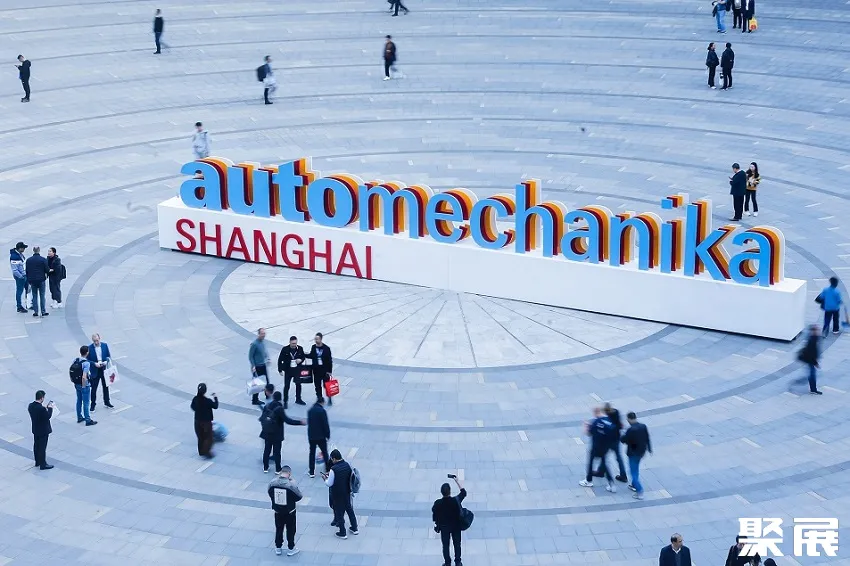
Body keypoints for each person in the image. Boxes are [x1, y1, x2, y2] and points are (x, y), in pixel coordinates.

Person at [259, 391, 306, 474]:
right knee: (277, 452)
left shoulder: (267, 406)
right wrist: (300, 422)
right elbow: (288, 420)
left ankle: (265, 467)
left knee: (267, 450)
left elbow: (262, 418)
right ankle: (278, 469)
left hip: (267, 432)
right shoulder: (279, 409)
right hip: (277, 434)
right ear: (280, 399)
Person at [579, 407, 617, 491]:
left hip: (596, 447)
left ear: (595, 413)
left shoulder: (596, 422)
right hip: (605, 447)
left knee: (590, 463)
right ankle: (611, 483)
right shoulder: (609, 421)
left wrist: (585, 426)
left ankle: (588, 480)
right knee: (605, 465)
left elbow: (589, 433)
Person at [323, 449, 359, 538]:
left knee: (339, 511)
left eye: (332, 459)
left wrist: (325, 479)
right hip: (347, 491)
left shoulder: (333, 469)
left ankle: (342, 532)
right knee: (349, 509)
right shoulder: (347, 465)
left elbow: (329, 483)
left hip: (337, 493)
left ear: (334, 459)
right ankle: (354, 528)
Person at [268, 465, 303, 556]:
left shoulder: (273, 482)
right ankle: (291, 548)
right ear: (289, 473)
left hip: (278, 511)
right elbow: (299, 496)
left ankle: (278, 547)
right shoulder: (291, 485)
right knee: (291, 529)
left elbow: (269, 492)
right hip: (290, 511)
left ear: (281, 472)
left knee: (279, 528)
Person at [432, 476, 467, 566]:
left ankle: (447, 563)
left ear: (441, 492)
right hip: (456, 526)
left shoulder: (438, 503)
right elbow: (464, 493)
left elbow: (434, 516)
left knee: (445, 546)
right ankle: (458, 562)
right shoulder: (455, 501)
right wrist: (457, 481)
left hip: (444, 528)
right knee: (457, 544)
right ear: (450, 491)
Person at [621, 412, 652, 500]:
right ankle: (634, 485)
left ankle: (640, 491)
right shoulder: (643, 426)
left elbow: (624, 440)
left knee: (633, 473)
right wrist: (649, 449)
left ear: (629, 419)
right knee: (636, 469)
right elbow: (647, 438)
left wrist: (622, 435)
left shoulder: (631, 430)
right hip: (641, 452)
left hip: (633, 453)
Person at [87, 333, 114, 411]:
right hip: (95, 370)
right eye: (94, 341)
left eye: (97, 340)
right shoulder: (90, 348)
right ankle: (93, 404)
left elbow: (108, 356)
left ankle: (107, 401)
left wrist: (105, 362)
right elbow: (87, 360)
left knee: (106, 386)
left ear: (99, 338)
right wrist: (94, 364)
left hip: (104, 369)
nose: (96, 342)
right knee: (94, 388)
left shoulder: (105, 345)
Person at [28, 390, 54, 470]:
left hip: (35, 429)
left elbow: (38, 413)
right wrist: (50, 408)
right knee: (42, 447)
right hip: (43, 430)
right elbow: (48, 416)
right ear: (42, 398)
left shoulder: (31, 406)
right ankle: (43, 464)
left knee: (36, 446)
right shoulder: (41, 409)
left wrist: (44, 408)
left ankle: (37, 461)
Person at [278, 336, 306, 408]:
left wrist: (300, 360)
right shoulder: (285, 349)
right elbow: (280, 360)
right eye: (293, 343)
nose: (294, 345)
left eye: (295, 343)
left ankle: (298, 399)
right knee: (287, 386)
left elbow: (303, 357)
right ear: (289, 342)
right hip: (288, 370)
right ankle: (285, 401)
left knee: (298, 385)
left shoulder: (300, 348)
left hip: (297, 370)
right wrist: (280, 370)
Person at [191, 383, 218, 457]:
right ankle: (206, 452)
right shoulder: (207, 401)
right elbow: (215, 406)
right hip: (206, 422)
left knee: (200, 437)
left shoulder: (195, 399)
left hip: (197, 421)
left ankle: (201, 452)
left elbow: (192, 407)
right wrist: (215, 397)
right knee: (208, 437)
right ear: (205, 391)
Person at [72, 346, 97, 426]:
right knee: (86, 403)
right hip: (84, 385)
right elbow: (84, 376)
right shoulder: (86, 363)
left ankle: (79, 417)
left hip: (76, 384)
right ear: (87, 353)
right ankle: (88, 420)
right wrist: (84, 386)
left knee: (79, 400)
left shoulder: (76, 360)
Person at [307, 396, 331, 478]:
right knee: (324, 452)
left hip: (312, 436)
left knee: (312, 453)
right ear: (322, 402)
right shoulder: (322, 411)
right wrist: (327, 435)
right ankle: (327, 470)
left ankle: (311, 471)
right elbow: (325, 424)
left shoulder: (310, 410)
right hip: (321, 436)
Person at [308, 332, 334, 404]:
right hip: (316, 370)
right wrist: (303, 355)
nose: (316, 340)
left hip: (324, 371)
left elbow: (329, 361)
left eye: (317, 339)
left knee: (326, 385)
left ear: (321, 339)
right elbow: (311, 355)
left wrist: (329, 371)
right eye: (315, 339)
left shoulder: (326, 348)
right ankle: (319, 398)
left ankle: (329, 397)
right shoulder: (313, 347)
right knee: (317, 386)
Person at [25, 246, 49, 317]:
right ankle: (43, 311)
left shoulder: (29, 260)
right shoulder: (43, 259)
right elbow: (47, 270)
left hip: (32, 280)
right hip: (41, 279)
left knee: (34, 295)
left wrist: (29, 279)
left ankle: (36, 311)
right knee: (42, 295)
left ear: (33, 250)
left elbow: (27, 271)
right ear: (39, 250)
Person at [798, 325, 822, 395]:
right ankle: (813, 389)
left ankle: (813, 388)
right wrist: (815, 363)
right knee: (812, 375)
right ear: (813, 331)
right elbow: (811, 353)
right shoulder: (812, 341)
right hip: (810, 361)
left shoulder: (814, 338)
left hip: (811, 360)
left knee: (811, 374)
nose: (818, 332)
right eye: (817, 330)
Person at [249, 328, 271, 406]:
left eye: (264, 333)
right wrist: (253, 365)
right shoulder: (254, 344)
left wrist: (267, 358)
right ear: (258, 334)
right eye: (262, 334)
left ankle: (267, 395)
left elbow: (264, 352)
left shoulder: (262, 342)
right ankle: (255, 400)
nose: (263, 335)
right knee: (257, 383)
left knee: (266, 381)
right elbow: (250, 356)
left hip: (263, 365)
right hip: (257, 366)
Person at [10, 241, 29, 313]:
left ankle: (28, 303)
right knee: (19, 291)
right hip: (20, 277)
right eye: (23, 248)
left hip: (24, 274)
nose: (24, 249)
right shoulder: (14, 257)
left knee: (28, 289)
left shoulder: (20, 254)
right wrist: (21, 277)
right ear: (20, 248)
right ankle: (19, 306)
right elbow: (15, 270)